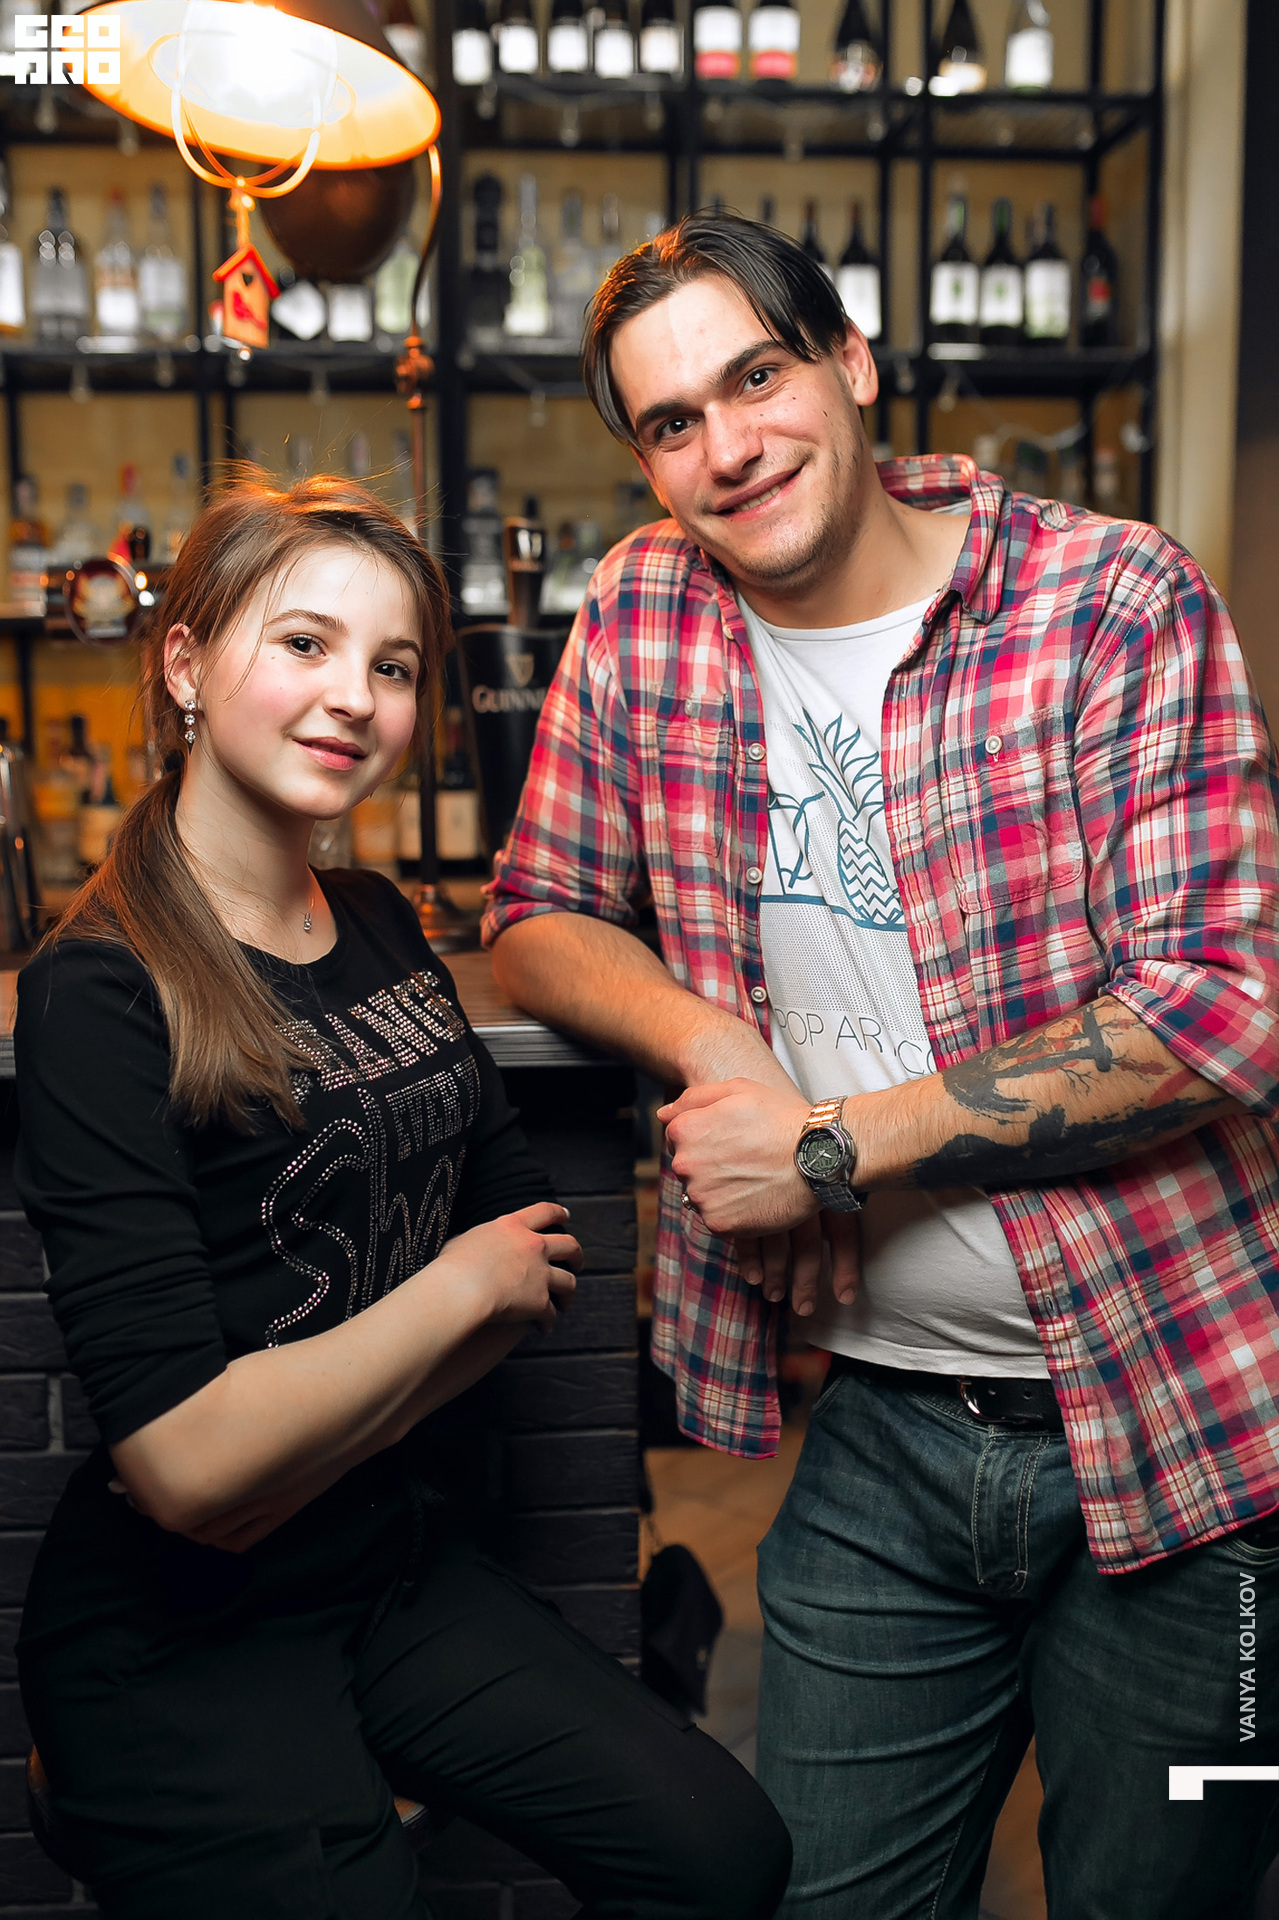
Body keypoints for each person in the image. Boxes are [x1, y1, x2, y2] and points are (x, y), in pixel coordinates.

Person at [483, 213, 1279, 1918]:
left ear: (850, 364)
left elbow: (1218, 1006)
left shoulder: (1112, 599)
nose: (728, 447)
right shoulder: (643, 612)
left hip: (1195, 1427)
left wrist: (830, 1145)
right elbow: (537, 911)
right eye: (672, 421)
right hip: (884, 1438)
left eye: (757, 377)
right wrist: (719, 1041)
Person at [14, 474, 791, 1920]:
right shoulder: (102, 991)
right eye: (305, 644)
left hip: (381, 1558)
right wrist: (449, 1293)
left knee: (722, 1856)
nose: (353, 699)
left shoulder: (373, 918)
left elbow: (531, 1238)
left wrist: (284, 1442)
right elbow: (181, 1468)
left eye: (392, 665)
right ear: (185, 664)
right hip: (173, 1636)